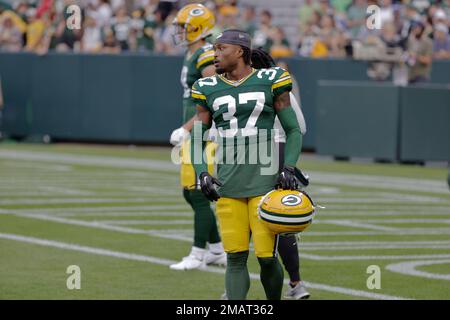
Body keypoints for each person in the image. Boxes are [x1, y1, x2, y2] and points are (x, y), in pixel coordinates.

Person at [190, 29, 303, 300]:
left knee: (266, 257)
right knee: (236, 258)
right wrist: (202, 172)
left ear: (240, 51)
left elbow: (294, 130)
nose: (214, 54)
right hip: (228, 183)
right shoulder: (207, 87)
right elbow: (197, 138)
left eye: (221, 49)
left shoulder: (270, 79)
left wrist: (288, 166)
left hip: (265, 182)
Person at [168, 3, 226, 271]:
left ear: (198, 28)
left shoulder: (204, 54)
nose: (179, 32)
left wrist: (188, 127)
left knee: (198, 193)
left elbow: (212, 95)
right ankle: (215, 249)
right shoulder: (194, 52)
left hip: (204, 132)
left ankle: (197, 254)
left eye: (184, 27)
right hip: (196, 131)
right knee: (189, 193)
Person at [251, 49, 310, 300]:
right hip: (282, 153)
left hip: (257, 155)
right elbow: (301, 128)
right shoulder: (279, 86)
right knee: (283, 220)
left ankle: (235, 285)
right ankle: (296, 283)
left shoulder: (252, 87)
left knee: (254, 219)